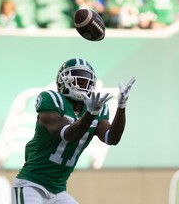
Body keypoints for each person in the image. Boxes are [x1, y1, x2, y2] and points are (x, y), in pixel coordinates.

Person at [11, 58, 136, 203]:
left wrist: (121, 107)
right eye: (78, 80)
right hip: (32, 185)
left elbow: (111, 138)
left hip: (58, 190)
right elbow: (69, 134)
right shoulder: (52, 101)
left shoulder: (96, 110)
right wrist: (90, 114)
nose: (82, 85)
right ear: (64, 80)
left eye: (86, 81)